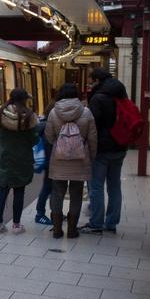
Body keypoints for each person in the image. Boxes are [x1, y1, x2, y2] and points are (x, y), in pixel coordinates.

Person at [45, 83, 98, 238]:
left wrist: (59, 144)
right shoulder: (86, 112)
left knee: (57, 193)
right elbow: (93, 138)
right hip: (80, 160)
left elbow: (48, 136)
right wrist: (91, 155)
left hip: (59, 160)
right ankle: (72, 230)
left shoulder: (54, 112)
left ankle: (56, 229)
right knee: (76, 194)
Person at [80, 67, 129, 234]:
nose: (89, 84)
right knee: (115, 186)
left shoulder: (98, 97)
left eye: (91, 80)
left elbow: (92, 125)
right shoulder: (121, 93)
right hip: (120, 146)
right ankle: (111, 223)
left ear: (97, 80)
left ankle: (96, 223)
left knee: (96, 186)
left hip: (101, 149)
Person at [0, 88, 40, 234]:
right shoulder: (29, 116)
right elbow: (35, 139)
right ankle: (16, 225)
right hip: (23, 159)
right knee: (19, 191)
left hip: (5, 157)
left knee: (2, 190)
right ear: (24, 100)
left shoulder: (0, 112)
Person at [34, 100, 56, 225]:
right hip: (50, 161)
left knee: (50, 188)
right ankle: (40, 214)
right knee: (48, 188)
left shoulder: (42, 124)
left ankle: (54, 212)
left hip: (48, 160)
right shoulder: (48, 125)